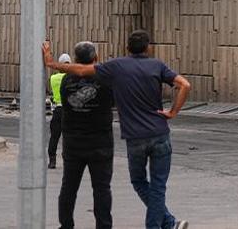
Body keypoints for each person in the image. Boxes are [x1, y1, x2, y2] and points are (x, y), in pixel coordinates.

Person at [44, 30, 192, 229]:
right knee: (109, 189)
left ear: (127, 48)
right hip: (124, 139)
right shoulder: (144, 68)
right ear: (149, 47)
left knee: (70, 187)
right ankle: (152, 224)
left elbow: (78, 72)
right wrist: (173, 111)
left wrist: (52, 63)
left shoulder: (83, 76)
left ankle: (66, 225)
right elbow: (184, 84)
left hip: (87, 142)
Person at [57, 41, 114, 229]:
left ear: (74, 59)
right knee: (101, 189)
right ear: (95, 58)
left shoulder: (66, 80)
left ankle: (66, 225)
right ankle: (103, 226)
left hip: (73, 143)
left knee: (69, 188)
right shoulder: (105, 79)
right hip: (101, 142)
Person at [47, 52, 71, 169]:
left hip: (58, 109)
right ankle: (68, 160)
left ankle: (52, 161)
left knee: (54, 137)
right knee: (68, 137)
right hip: (69, 110)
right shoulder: (72, 78)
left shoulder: (53, 78)